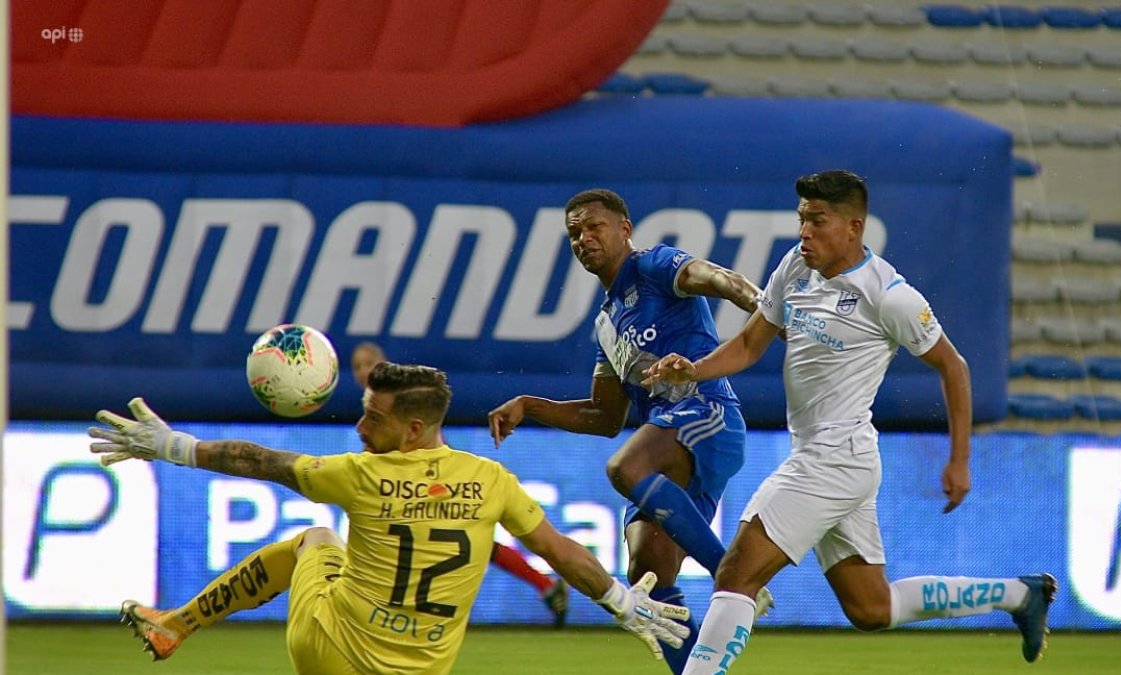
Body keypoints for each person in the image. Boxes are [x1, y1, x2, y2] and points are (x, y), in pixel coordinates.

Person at [641, 170, 1057, 674]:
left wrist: (960, 460)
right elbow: (751, 343)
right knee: (871, 608)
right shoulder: (796, 266)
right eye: (802, 219)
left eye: (818, 221)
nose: (805, 232)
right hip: (839, 458)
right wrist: (694, 370)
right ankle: (1021, 594)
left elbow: (954, 366)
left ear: (853, 227)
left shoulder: (889, 296)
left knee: (736, 574)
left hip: (833, 460)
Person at [89, 364, 689, 674]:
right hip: (420, 669)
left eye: (372, 417)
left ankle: (178, 624)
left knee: (316, 539)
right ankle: (175, 623)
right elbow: (561, 554)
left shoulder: (357, 474)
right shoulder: (490, 481)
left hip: (328, 653)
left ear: (411, 429)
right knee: (321, 542)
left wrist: (168, 446)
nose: (359, 428)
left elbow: (258, 459)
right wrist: (621, 600)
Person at [488, 188, 771, 675]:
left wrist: (764, 305)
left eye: (594, 226)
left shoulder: (654, 265)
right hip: (672, 444)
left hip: (708, 415)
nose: (584, 238)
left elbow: (714, 277)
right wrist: (530, 406)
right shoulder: (606, 324)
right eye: (575, 232)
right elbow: (604, 417)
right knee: (647, 576)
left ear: (625, 229)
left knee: (626, 466)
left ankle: (736, 574)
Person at [351, 341, 570, 627]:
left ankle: (545, 586)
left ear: (383, 364)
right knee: (475, 546)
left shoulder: (402, 398)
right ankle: (546, 586)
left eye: (369, 363)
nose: (363, 371)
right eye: (357, 366)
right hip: (410, 487)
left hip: (429, 480)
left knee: (472, 545)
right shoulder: (377, 407)